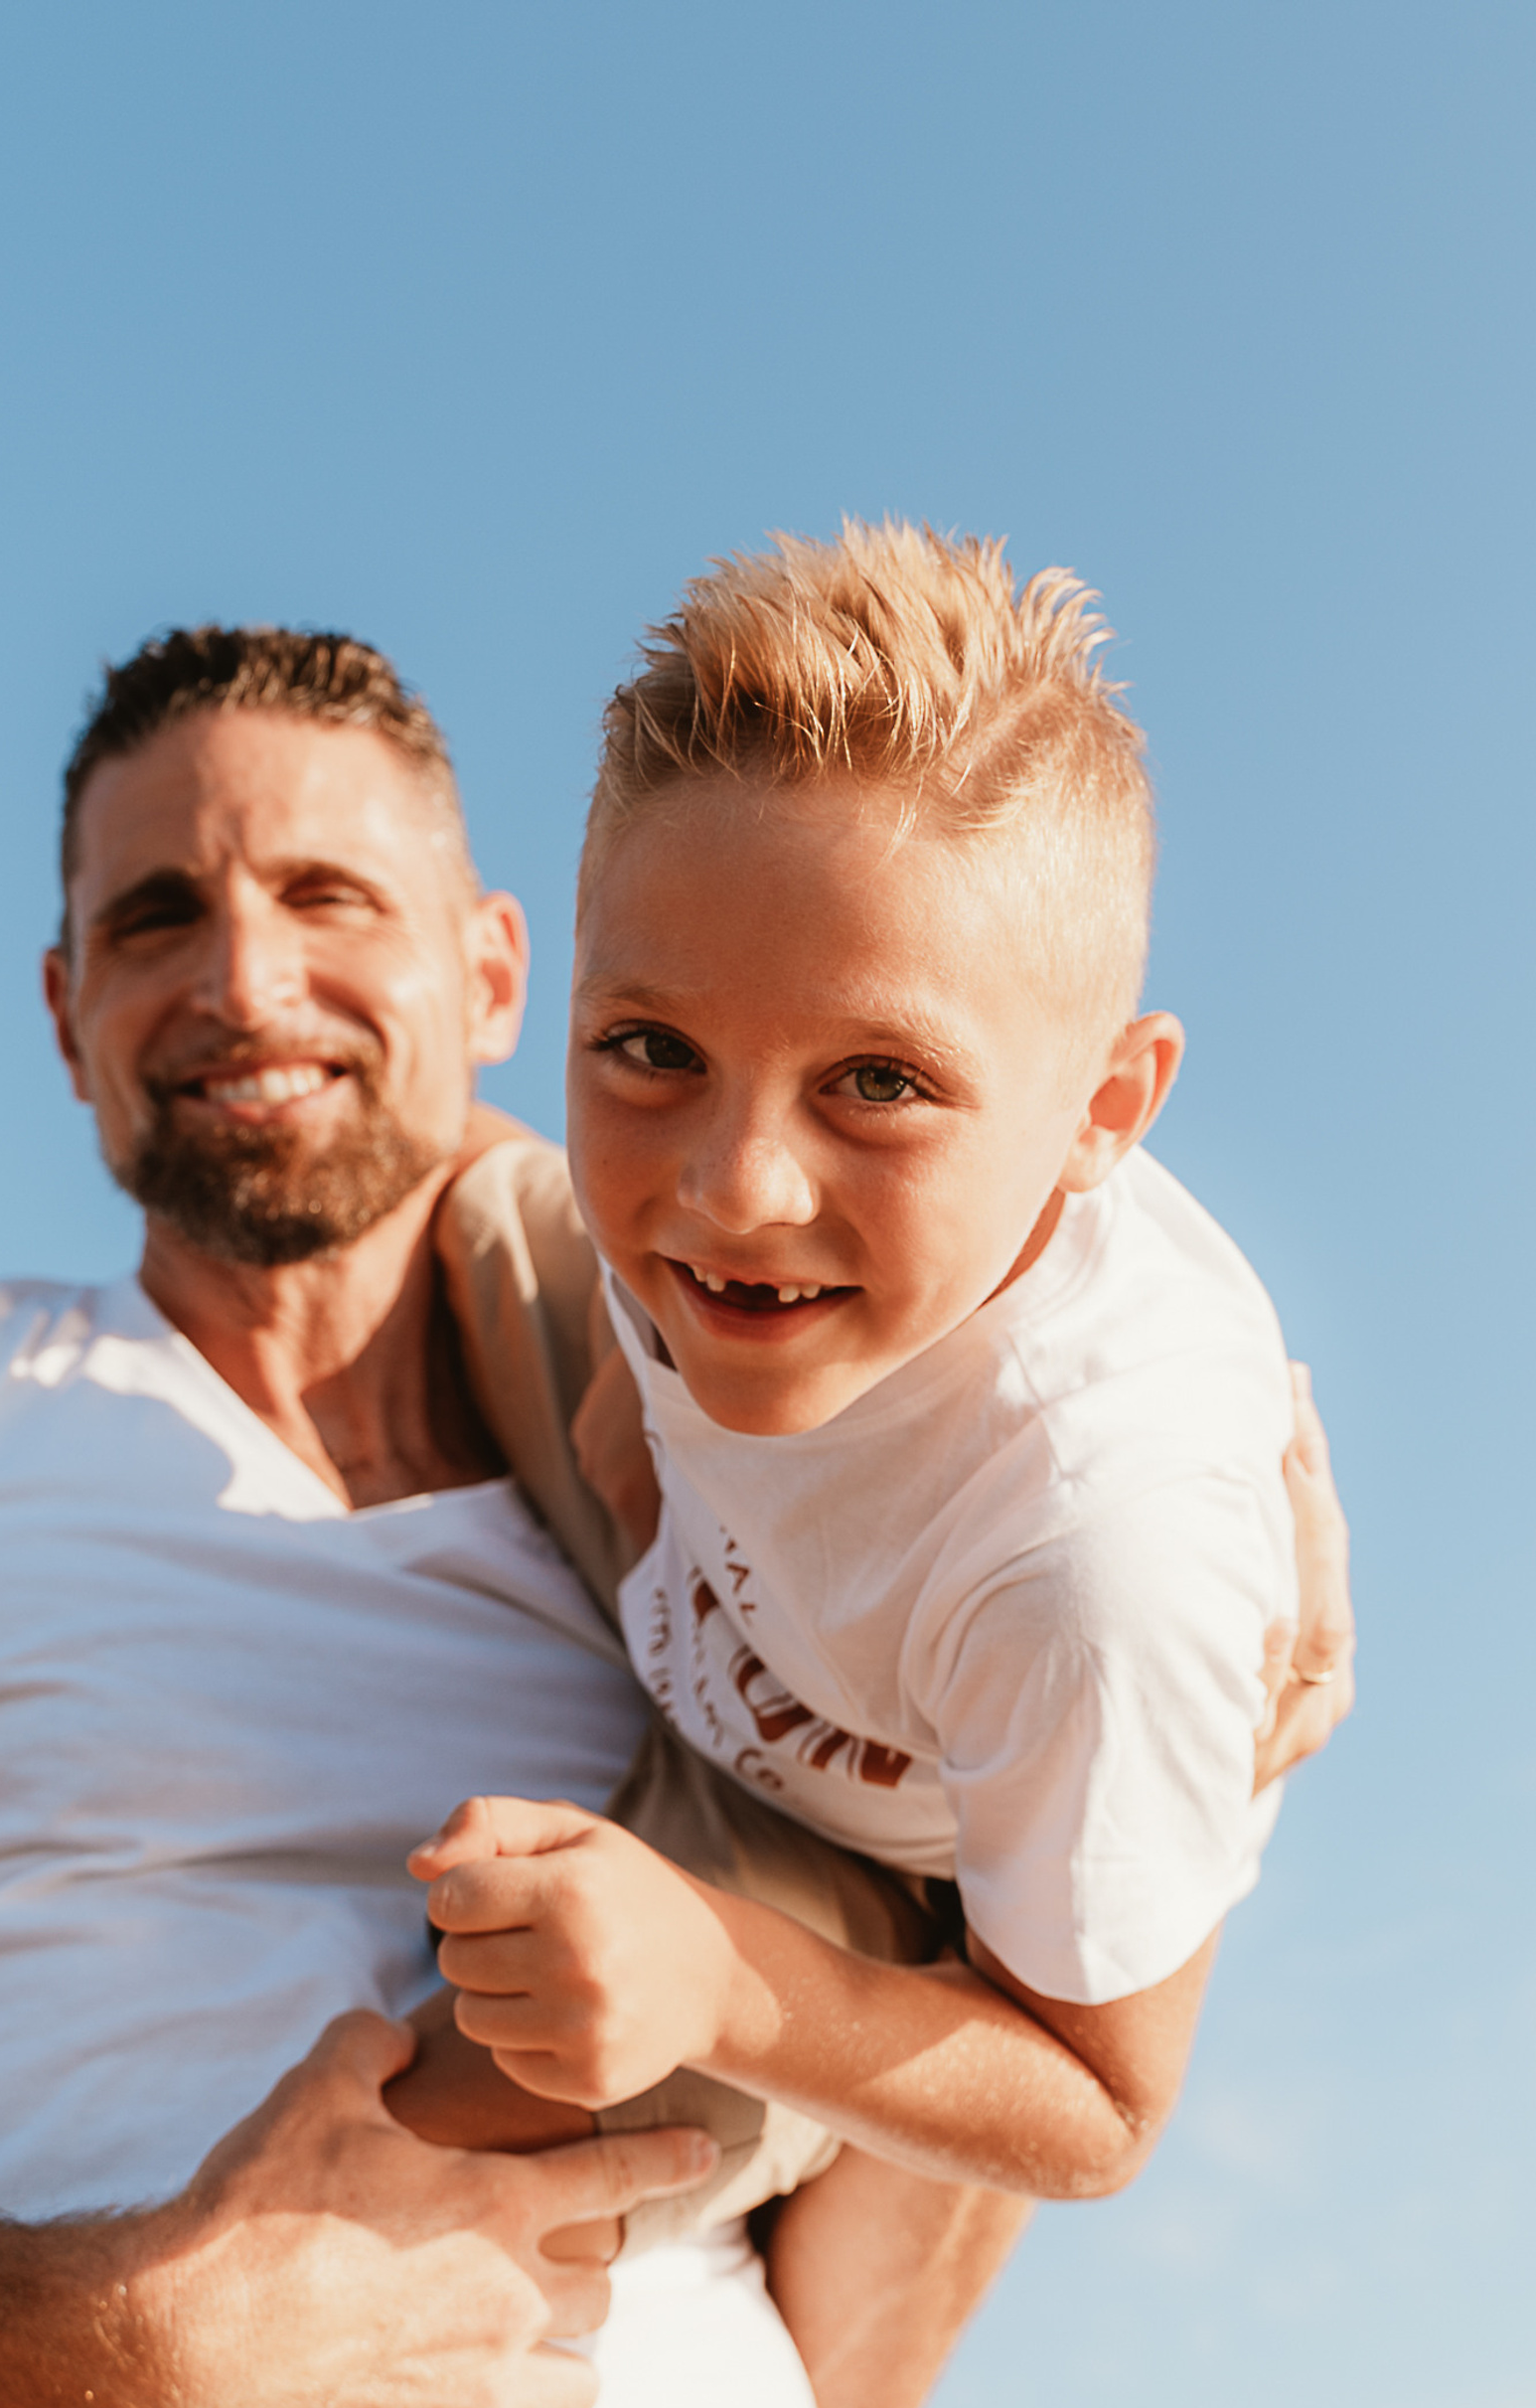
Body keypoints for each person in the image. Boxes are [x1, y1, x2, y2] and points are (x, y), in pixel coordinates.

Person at [0, 623, 1350, 2408]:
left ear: (489, 970)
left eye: (327, 895)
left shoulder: (748, 1428)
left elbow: (842, 2380)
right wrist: (119, 2346)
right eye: (151, 918)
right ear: (61, 1011)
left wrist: (1154, 1805)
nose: (244, 978)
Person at [410, 521, 1327, 2216]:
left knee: (455, 2107)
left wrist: (713, 1973)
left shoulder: (1092, 1561)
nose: (732, 1185)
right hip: (709, 1602)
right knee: (451, 1194)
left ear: (1101, 1113)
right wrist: (636, 1438)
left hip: (878, 1872)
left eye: (880, 1085)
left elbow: (1099, 2110)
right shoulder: (710, 1220)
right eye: (647, 1048)